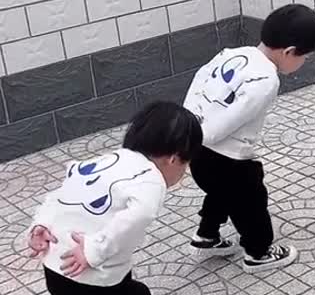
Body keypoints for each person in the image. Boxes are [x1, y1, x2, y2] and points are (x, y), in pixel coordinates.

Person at [183, 4, 315, 273]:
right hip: (227, 158)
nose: (303, 63)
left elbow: (199, 82)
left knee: (220, 193)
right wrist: (206, 134)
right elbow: (232, 118)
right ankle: (258, 253)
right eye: (305, 57)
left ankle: (207, 236)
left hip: (199, 151)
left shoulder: (235, 54)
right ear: (289, 52)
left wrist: (191, 129)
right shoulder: (265, 79)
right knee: (251, 202)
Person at [27, 101, 203, 295]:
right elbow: (140, 214)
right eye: (185, 166)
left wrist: (40, 223)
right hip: (88, 273)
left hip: (54, 264)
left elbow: (62, 194)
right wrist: (94, 250)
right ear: (174, 159)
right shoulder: (151, 179)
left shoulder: (108, 160)